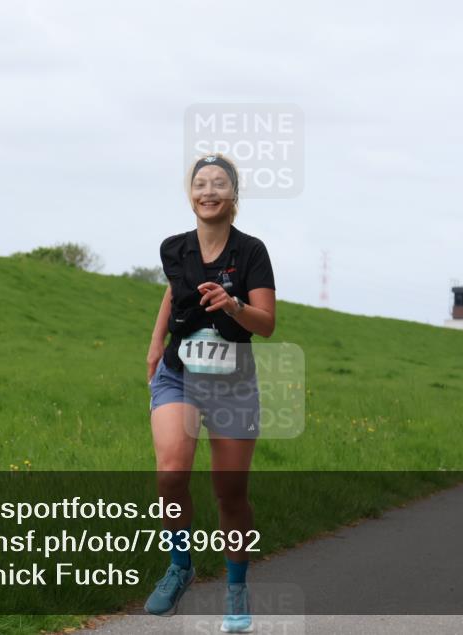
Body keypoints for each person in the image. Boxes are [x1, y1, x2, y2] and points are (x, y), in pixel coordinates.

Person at [144, 153, 276, 632]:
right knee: (172, 471)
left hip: (233, 382)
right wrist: (155, 344)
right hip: (179, 373)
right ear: (190, 193)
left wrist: (234, 304)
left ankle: (236, 588)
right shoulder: (174, 248)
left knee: (230, 491)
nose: (209, 191)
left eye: (219, 184)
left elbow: (266, 324)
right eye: (200, 183)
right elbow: (173, 293)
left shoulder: (251, 252)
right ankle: (180, 565)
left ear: (233, 195)